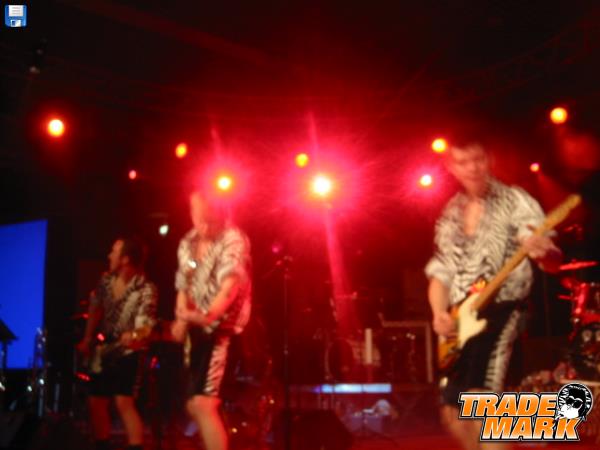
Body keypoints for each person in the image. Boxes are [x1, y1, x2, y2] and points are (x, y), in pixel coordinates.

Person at [425, 142, 562, 449]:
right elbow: (441, 272)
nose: (472, 168)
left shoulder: (515, 200)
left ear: (489, 159)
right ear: (451, 167)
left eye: (477, 159)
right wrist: (439, 313)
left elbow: (552, 259)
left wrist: (544, 251)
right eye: (463, 162)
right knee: (453, 415)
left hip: (503, 310)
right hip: (461, 322)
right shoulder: (451, 212)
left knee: (480, 405)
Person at [171, 190, 252, 450]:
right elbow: (183, 285)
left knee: (203, 403)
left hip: (223, 331)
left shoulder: (232, 239)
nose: (202, 224)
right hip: (196, 331)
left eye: (208, 218)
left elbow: (230, 287)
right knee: (193, 405)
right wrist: (182, 319)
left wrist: (207, 316)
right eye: (197, 216)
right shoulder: (188, 241)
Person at [77, 237, 157, 450]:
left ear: (125, 259)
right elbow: (95, 308)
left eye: (114, 252)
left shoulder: (146, 289)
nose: (109, 256)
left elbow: (146, 325)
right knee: (96, 401)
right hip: (104, 350)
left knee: (124, 401)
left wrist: (134, 334)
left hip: (129, 352)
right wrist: (87, 338)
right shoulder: (105, 281)